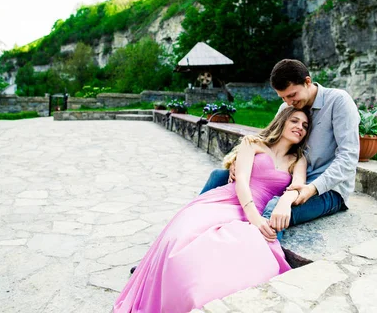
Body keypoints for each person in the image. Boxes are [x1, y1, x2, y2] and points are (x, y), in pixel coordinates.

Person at [113, 107, 311, 313]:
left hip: (259, 210)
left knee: (240, 256)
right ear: (282, 121)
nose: (299, 128)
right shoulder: (253, 143)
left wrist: (286, 200)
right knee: (183, 235)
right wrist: (253, 217)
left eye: (305, 126)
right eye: (295, 121)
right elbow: (241, 180)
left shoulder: (298, 160)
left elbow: (297, 186)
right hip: (229, 200)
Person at [200, 59, 360, 238]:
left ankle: (256, 250)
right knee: (219, 176)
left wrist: (310, 188)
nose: (288, 102)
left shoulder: (338, 101)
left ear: (307, 82)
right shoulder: (287, 106)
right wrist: (239, 160)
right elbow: (270, 138)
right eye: (283, 97)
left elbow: (349, 157)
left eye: (292, 95)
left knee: (275, 208)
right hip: (288, 177)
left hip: (325, 189)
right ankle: (194, 222)